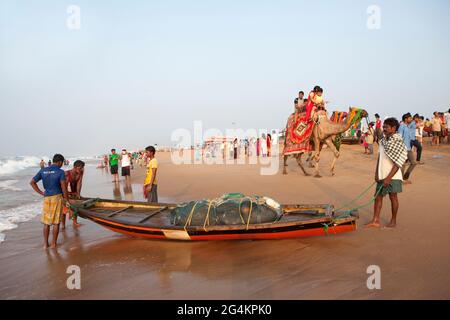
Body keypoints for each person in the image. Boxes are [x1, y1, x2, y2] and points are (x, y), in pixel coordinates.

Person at [365, 118, 407, 229]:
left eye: (386, 127)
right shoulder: (383, 141)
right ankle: (375, 220)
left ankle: (393, 221)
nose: (384, 129)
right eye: (384, 126)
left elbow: (399, 162)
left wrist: (389, 177)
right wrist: (376, 173)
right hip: (382, 174)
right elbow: (380, 157)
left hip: (393, 176)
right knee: (378, 197)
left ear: (393, 128)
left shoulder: (398, 141)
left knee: (393, 197)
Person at [30, 154, 69, 249]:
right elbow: (63, 187)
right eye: (62, 163)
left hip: (47, 198)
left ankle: (45, 244)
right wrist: (66, 200)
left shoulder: (43, 170)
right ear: (59, 162)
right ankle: (53, 244)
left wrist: (41, 193)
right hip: (57, 197)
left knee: (46, 222)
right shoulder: (60, 172)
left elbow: (32, 182)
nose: (62, 165)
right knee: (56, 222)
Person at [61, 160, 85, 229]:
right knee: (64, 209)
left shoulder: (80, 173)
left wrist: (78, 194)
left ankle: (75, 222)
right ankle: (63, 225)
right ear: (74, 167)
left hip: (73, 190)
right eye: (80, 168)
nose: (82, 169)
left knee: (75, 206)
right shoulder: (66, 174)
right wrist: (65, 197)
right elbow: (63, 186)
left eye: (82, 168)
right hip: (65, 191)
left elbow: (79, 183)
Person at [398, 113, 416, 184]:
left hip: (408, 148)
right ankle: (401, 179)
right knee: (403, 164)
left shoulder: (407, 126)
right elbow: (399, 137)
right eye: (410, 118)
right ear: (406, 119)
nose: (411, 119)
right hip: (403, 148)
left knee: (413, 163)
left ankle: (404, 177)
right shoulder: (401, 127)